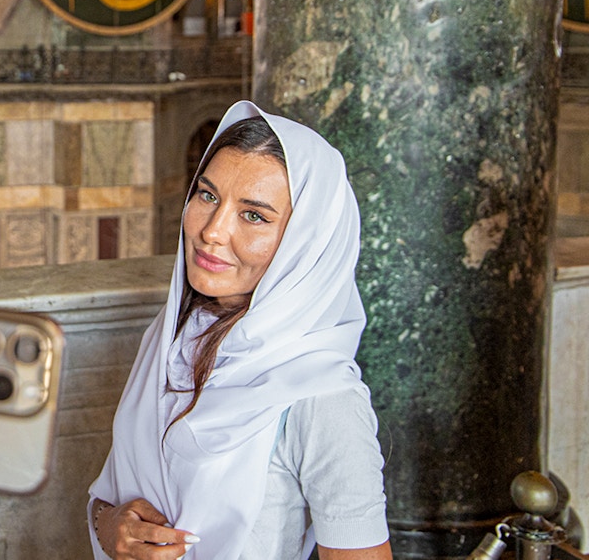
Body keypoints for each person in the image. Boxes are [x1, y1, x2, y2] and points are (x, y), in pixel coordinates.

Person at [88, 101, 391, 560]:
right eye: (208, 196)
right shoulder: (175, 338)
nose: (212, 231)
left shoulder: (321, 397)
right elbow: (113, 495)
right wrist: (109, 525)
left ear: (303, 244)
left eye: (254, 216)